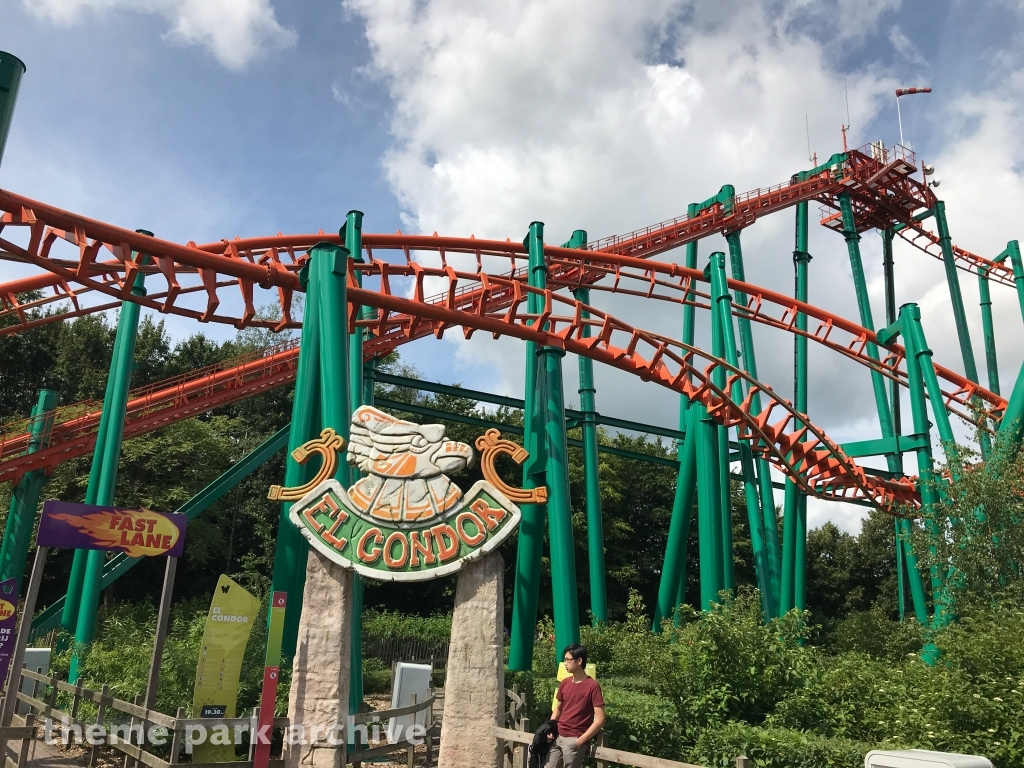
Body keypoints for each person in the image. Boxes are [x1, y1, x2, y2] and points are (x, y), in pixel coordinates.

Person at [544, 643, 605, 768]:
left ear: (579, 661)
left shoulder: (592, 686)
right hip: (558, 736)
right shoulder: (565, 683)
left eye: (568, 659)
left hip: (575, 739)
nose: (565, 663)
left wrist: (580, 741)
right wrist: (549, 728)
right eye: (564, 660)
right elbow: (558, 709)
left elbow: (600, 719)